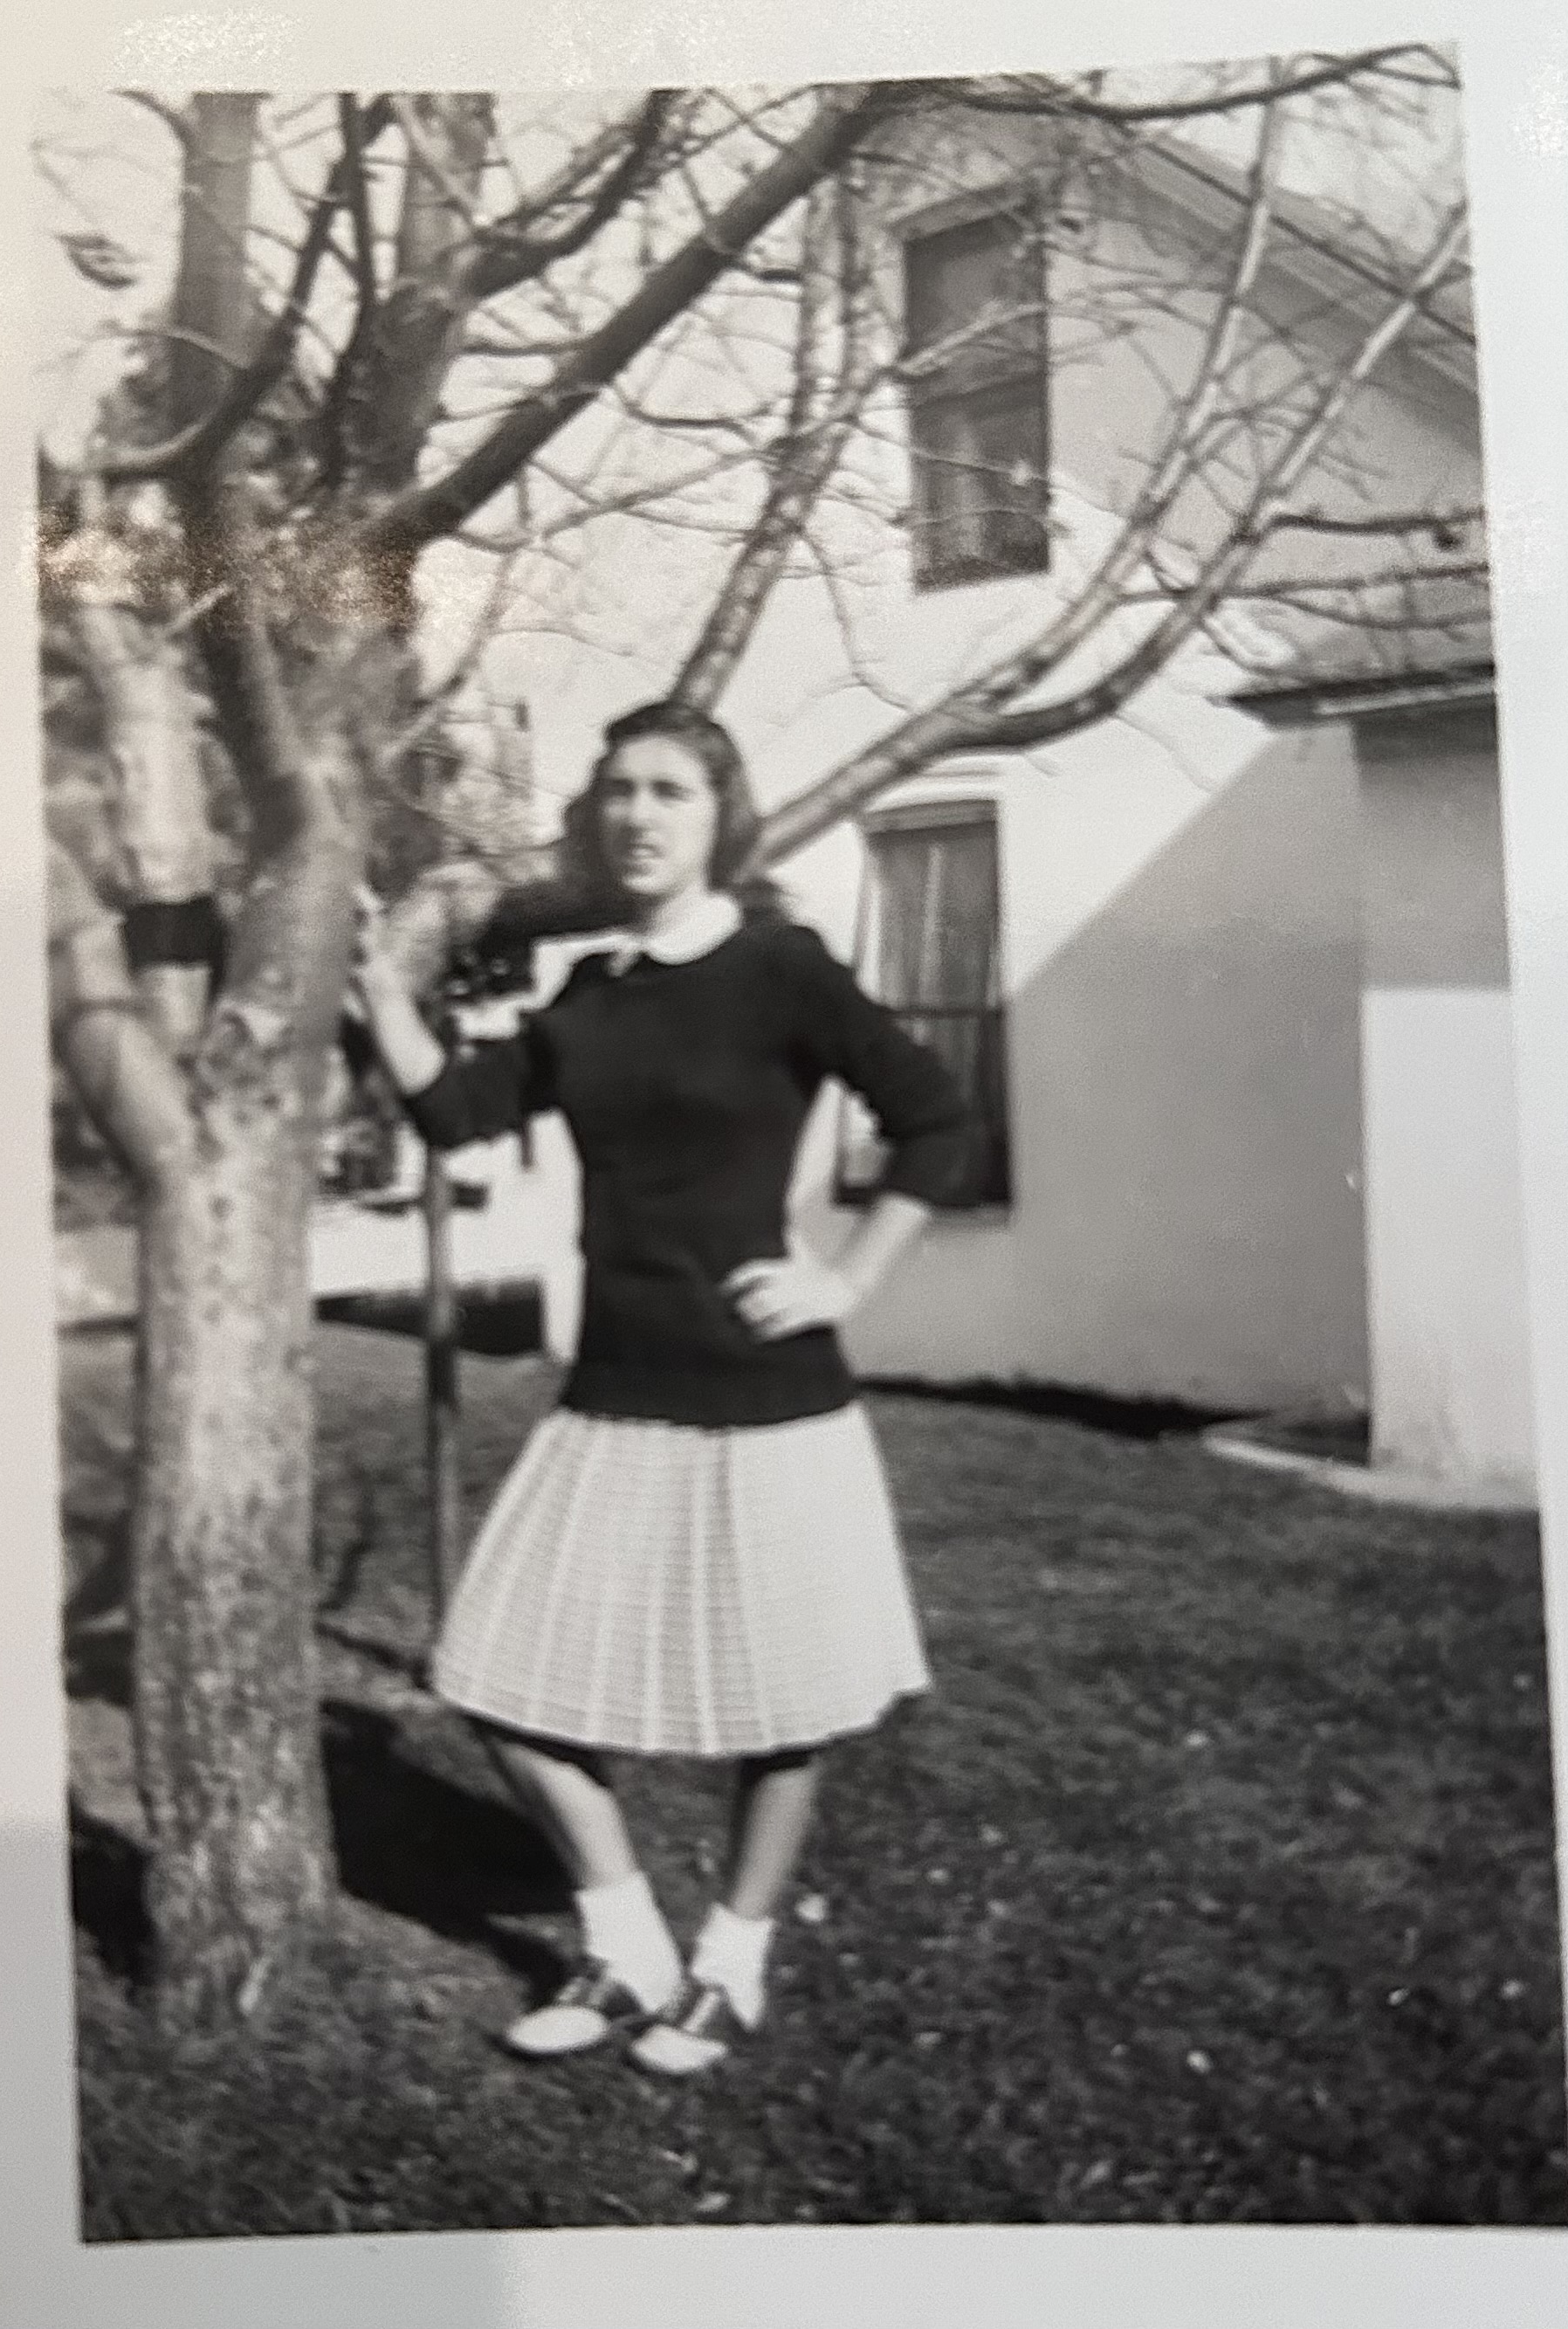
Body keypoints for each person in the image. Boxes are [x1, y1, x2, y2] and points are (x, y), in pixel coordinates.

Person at [349, 699, 977, 2077]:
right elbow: (455, 1114)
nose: (637, 814)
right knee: (496, 1680)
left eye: (670, 790)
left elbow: (936, 1118)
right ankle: (625, 1944)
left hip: (769, 1395)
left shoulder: (781, 971)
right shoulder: (590, 992)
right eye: (618, 791)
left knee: (785, 1706)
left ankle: (728, 1967)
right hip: (614, 1393)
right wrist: (386, 991)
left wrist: (845, 1280)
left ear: (719, 817)